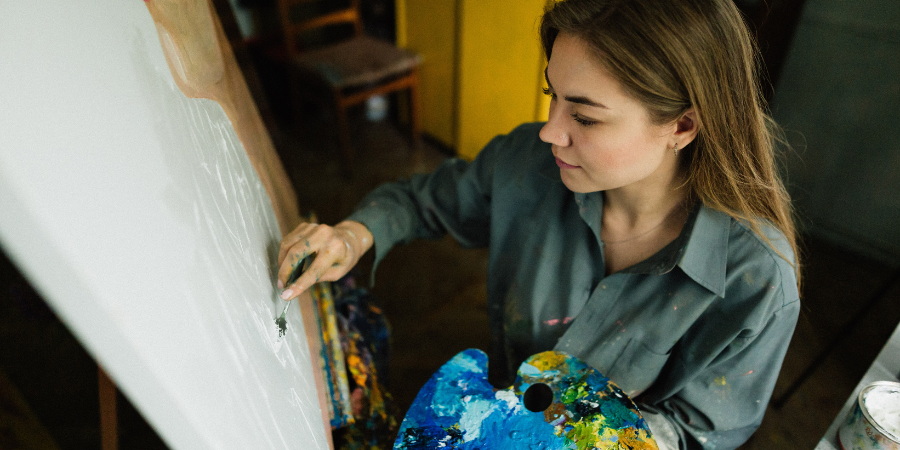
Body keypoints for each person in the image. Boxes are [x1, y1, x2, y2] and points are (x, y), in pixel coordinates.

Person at [276, 0, 801, 448]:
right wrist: (351, 235)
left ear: (682, 126)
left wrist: (586, 432)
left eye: (586, 117)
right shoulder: (527, 164)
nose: (550, 132)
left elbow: (700, 434)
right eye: (553, 95)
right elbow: (421, 202)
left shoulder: (756, 281)